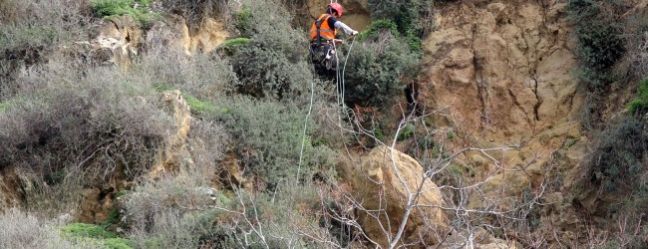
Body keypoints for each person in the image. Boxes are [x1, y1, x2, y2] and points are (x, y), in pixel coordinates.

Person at [309, 3, 358, 74]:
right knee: (334, 70)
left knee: (317, 73)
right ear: (334, 12)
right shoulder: (330, 18)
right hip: (325, 50)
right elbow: (340, 25)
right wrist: (351, 32)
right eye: (336, 16)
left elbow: (320, 37)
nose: (336, 18)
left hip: (314, 49)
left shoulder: (319, 20)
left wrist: (334, 41)